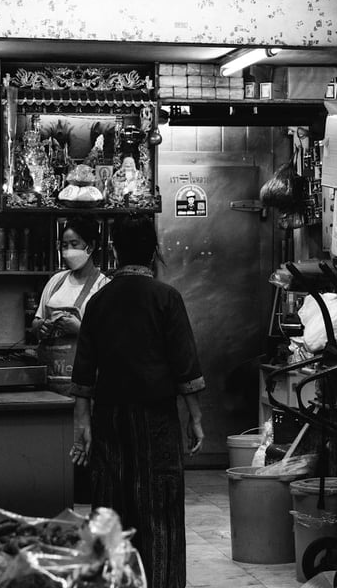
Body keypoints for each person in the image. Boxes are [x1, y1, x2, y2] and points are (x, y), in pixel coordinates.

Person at [70, 215, 205, 588]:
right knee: (159, 508)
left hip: (109, 417)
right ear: (152, 251)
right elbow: (185, 364)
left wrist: (82, 423)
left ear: (114, 250)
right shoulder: (166, 298)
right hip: (156, 418)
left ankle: (113, 582)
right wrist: (195, 418)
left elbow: (84, 370)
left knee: (111, 507)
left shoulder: (99, 301)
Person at [32, 216, 110, 380]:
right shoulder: (56, 281)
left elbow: (111, 339)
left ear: (91, 246)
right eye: (64, 245)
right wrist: (40, 327)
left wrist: (80, 330)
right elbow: (37, 321)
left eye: (74, 244)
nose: (68, 251)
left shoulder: (104, 286)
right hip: (50, 376)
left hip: (86, 380)